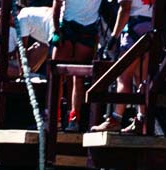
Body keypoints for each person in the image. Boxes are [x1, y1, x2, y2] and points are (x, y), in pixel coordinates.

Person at [90, 0, 153, 133]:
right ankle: (142, 120)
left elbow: (125, 8)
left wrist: (114, 37)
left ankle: (116, 119)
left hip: (134, 27)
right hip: (150, 26)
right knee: (141, 77)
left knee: (123, 76)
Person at [50, 0, 102, 131]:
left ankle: (74, 118)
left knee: (79, 77)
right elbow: (57, 5)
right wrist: (56, 30)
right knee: (56, 74)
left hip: (87, 30)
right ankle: (54, 117)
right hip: (68, 27)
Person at [16, 3, 54, 75]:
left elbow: (21, 48)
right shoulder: (28, 12)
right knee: (40, 46)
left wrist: (21, 71)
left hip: (54, 30)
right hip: (50, 36)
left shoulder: (21, 18)